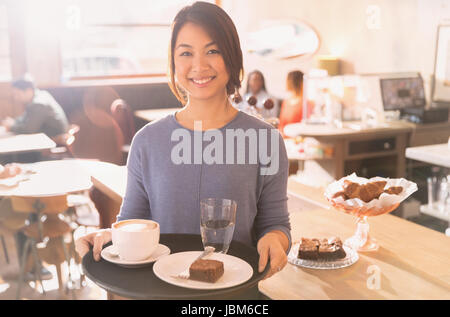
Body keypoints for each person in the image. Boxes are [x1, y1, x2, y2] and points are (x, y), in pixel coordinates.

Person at [75, 1, 291, 289]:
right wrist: (107, 236)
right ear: (174, 62)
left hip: (232, 294)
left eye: (212, 51)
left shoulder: (266, 140)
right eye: (186, 53)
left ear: (232, 56)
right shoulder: (147, 141)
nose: (199, 66)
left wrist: (275, 239)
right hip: (158, 291)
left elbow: (276, 223)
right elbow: (132, 221)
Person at [2, 74, 69, 139]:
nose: (16, 97)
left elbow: (29, 130)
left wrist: (11, 127)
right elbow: (25, 117)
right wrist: (15, 122)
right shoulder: (41, 95)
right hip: (49, 134)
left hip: (54, 137)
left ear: (28, 90)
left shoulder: (38, 103)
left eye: (17, 94)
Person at [278, 70, 305, 137]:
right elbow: (281, 125)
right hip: (285, 139)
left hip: (297, 140)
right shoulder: (286, 102)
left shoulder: (306, 103)